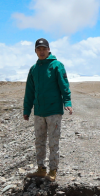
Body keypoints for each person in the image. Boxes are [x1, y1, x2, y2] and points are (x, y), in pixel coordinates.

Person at [23, 38, 72, 181]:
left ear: (49, 49)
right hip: (39, 112)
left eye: (44, 49)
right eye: (39, 49)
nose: (42, 51)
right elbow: (29, 91)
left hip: (53, 111)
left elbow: (64, 85)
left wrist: (67, 101)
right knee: (39, 141)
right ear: (35, 51)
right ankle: (41, 169)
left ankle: (53, 170)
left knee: (53, 142)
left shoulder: (57, 66)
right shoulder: (34, 69)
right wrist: (27, 110)